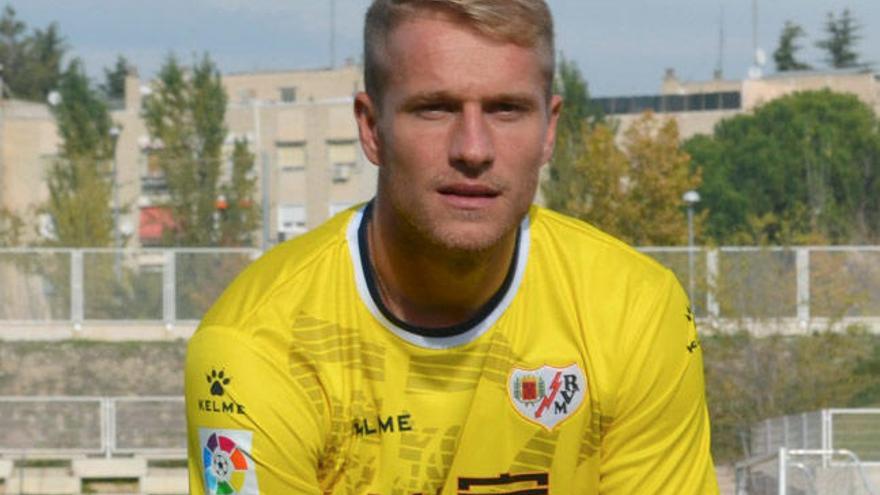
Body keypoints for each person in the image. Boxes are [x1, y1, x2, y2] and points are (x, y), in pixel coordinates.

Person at [185, 0, 719, 493]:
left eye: (506, 109)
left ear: (549, 129)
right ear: (371, 129)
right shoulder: (255, 345)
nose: (473, 149)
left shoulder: (635, 310)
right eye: (435, 109)